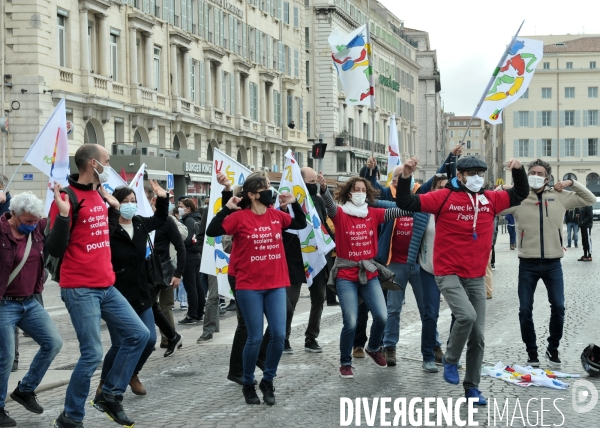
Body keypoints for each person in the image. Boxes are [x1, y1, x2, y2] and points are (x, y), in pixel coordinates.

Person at [396, 156, 529, 405]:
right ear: (460, 175)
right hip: (448, 272)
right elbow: (405, 201)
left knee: (477, 336)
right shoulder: (443, 197)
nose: (477, 177)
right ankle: (450, 359)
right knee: (466, 316)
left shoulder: (490, 198)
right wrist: (405, 175)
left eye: (481, 172)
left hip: (476, 275)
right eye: (472, 173)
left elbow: (520, 193)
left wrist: (519, 171)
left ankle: (472, 388)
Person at [49, 144, 150, 428]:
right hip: (80, 288)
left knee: (139, 336)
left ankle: (110, 394)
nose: (110, 166)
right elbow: (55, 249)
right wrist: (64, 216)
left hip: (106, 285)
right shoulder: (67, 197)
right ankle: (71, 415)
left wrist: (116, 210)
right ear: (93, 164)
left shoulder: (98, 194)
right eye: (106, 161)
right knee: (92, 353)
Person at [206, 173, 306, 405]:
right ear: (251, 195)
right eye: (265, 187)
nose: (270, 190)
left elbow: (299, 224)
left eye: (270, 186)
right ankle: (249, 383)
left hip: (276, 284)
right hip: (249, 286)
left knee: (279, 335)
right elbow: (212, 231)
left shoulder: (276, 216)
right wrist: (227, 208)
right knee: (253, 337)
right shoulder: (239, 217)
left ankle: (268, 380)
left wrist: (294, 203)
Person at [361, 147, 461, 371]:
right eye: (395, 177)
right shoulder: (388, 195)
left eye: (402, 176)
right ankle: (390, 346)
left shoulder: (420, 197)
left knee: (428, 309)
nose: (398, 180)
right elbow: (372, 192)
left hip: (419, 263)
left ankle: (433, 346)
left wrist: (451, 157)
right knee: (393, 308)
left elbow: (437, 179)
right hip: (395, 263)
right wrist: (370, 171)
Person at [500, 159, 595, 368]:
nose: (535, 175)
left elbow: (589, 199)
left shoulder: (559, 197)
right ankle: (531, 352)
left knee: (559, 307)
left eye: (539, 173)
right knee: (525, 310)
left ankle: (553, 349)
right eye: (531, 172)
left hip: (553, 264)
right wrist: (503, 187)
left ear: (547, 177)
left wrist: (571, 183)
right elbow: (493, 207)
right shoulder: (519, 197)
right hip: (527, 264)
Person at [320, 174, 411, 379]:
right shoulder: (340, 214)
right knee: (351, 322)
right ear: (348, 193)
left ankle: (372, 348)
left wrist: (417, 204)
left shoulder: (373, 213)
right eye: (356, 190)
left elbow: (397, 211)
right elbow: (329, 205)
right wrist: (324, 188)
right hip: (346, 275)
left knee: (382, 316)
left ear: (367, 193)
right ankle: (345, 362)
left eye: (363, 190)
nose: (360, 193)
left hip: (369, 273)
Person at [95, 181, 171, 399]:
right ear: (116, 204)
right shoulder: (109, 227)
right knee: (120, 343)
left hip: (141, 293)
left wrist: (163, 198)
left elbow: (160, 219)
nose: (130, 205)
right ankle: (105, 382)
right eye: (125, 202)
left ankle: (132, 373)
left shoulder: (138, 223)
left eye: (133, 201)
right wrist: (112, 209)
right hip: (116, 294)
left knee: (148, 339)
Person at [0, 190, 64, 427]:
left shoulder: (37, 228)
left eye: (35, 221)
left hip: (30, 301)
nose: (32, 225)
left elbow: (60, 225)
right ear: (13, 215)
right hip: (4, 303)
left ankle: (25, 390)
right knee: (5, 358)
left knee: (53, 343)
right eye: (28, 221)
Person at [283, 167, 334, 353]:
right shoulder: (288, 202)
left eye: (315, 183)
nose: (314, 186)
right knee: (291, 300)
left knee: (319, 299)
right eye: (311, 183)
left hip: (317, 257)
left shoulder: (319, 202)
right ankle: (284, 337)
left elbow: (324, 222)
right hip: (294, 258)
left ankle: (311, 337)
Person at [146, 188, 186, 352]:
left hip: (165, 270)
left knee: (165, 306)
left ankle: (169, 338)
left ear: (153, 201)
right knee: (148, 305)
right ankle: (156, 338)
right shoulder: (140, 220)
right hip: (147, 271)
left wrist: (178, 273)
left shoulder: (166, 221)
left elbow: (180, 246)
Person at [177, 198, 205, 324]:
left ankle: (191, 315)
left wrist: (178, 242)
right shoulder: (198, 218)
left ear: (188, 209)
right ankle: (199, 312)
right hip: (197, 255)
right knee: (198, 285)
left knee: (191, 287)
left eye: (181, 206)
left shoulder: (188, 220)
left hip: (189, 256)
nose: (179, 208)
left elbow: (187, 239)